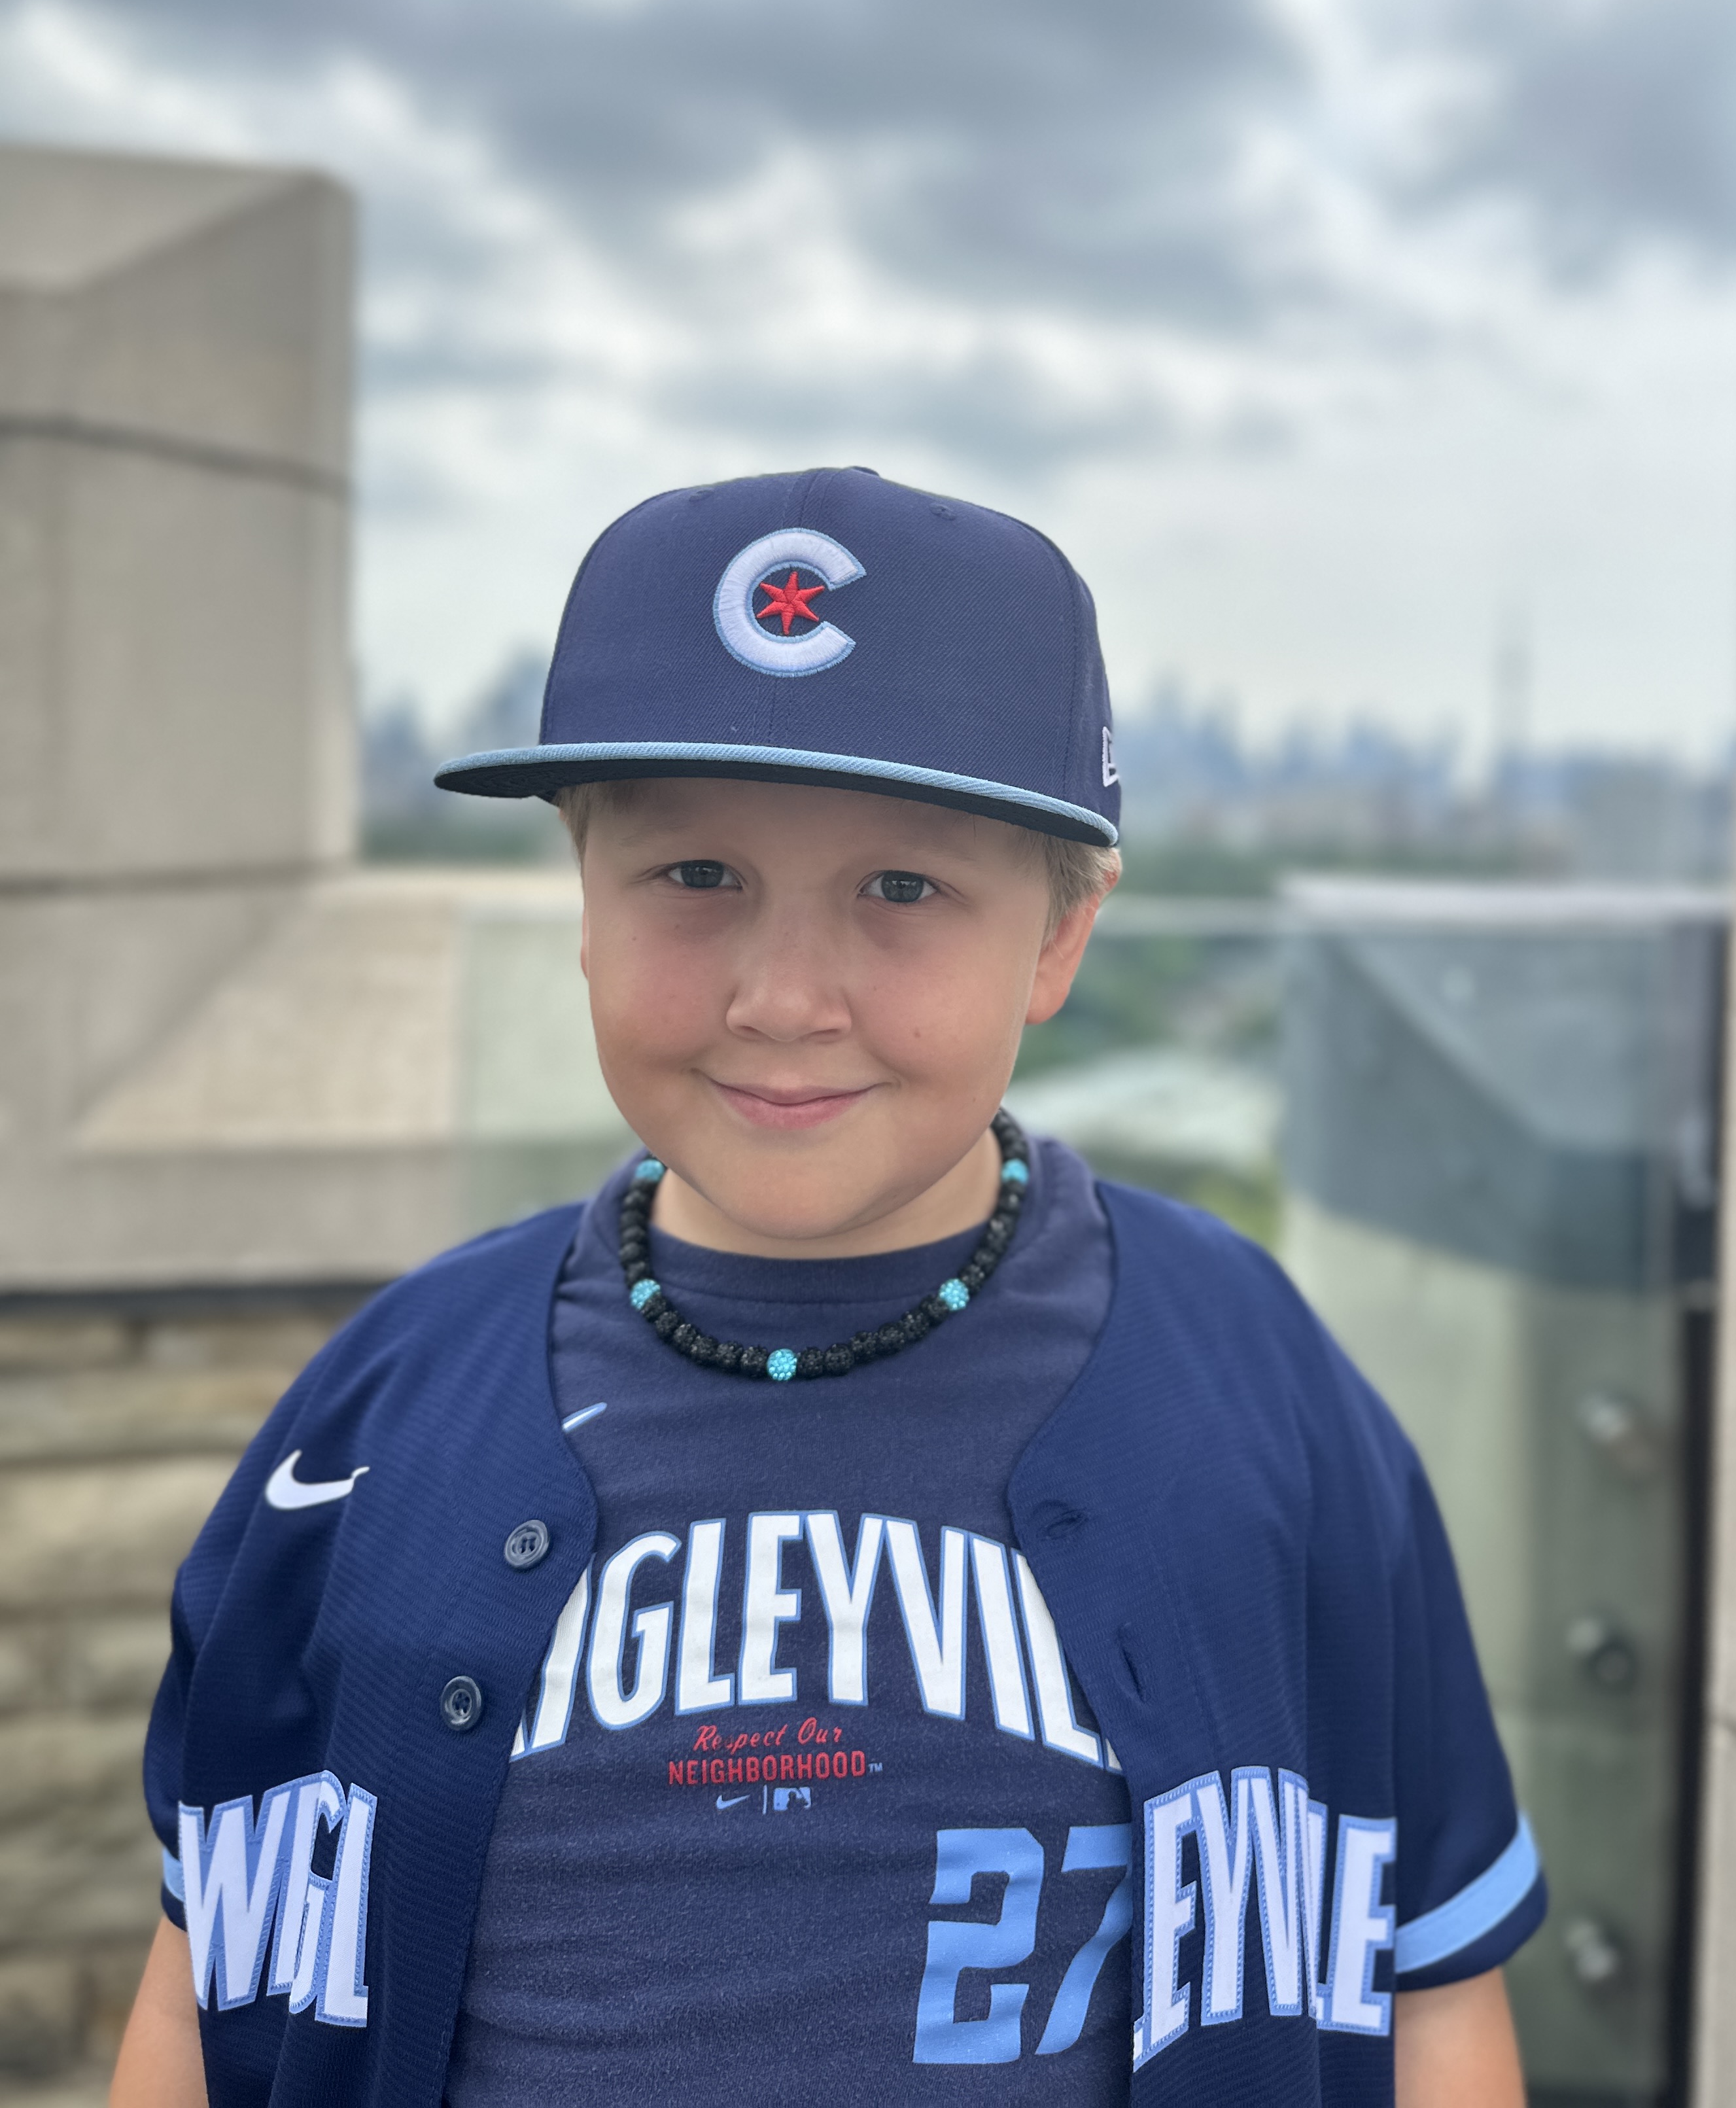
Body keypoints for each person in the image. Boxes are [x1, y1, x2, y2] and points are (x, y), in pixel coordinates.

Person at [111, 467, 1542, 2108]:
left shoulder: (1259, 1391)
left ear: (1061, 936)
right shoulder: (379, 1419)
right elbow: (200, 1998)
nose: (785, 1000)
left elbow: (1430, 1986)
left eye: (903, 889)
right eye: (695, 876)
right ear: (582, 901)